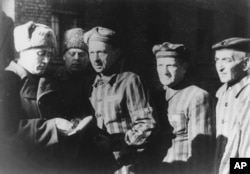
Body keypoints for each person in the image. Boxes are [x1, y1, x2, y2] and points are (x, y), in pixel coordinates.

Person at [0, 21, 80, 173]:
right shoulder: (6, 80)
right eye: (41, 53)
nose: (46, 60)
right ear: (23, 51)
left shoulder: (46, 79)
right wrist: (52, 126)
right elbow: (4, 131)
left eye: (49, 54)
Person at [84, 26, 158, 174]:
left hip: (126, 166)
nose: (96, 59)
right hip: (98, 164)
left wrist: (118, 143)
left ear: (116, 53)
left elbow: (147, 124)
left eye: (102, 52)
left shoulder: (130, 81)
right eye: (92, 53)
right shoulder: (90, 84)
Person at [152, 42, 215, 174]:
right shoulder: (156, 95)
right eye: (160, 65)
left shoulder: (197, 96)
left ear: (184, 67)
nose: (165, 71)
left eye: (171, 66)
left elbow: (201, 152)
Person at [213, 37, 250, 174]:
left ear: (246, 64)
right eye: (217, 60)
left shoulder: (247, 95)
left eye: (227, 60)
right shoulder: (222, 93)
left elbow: (247, 153)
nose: (220, 67)